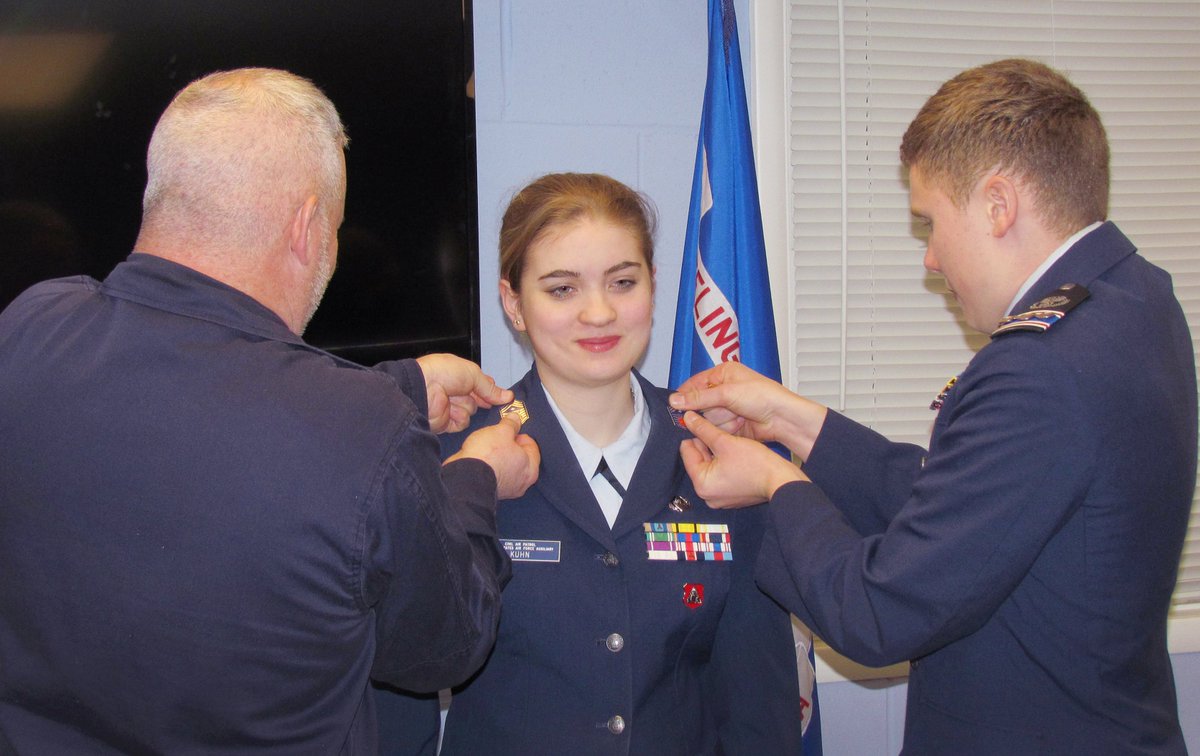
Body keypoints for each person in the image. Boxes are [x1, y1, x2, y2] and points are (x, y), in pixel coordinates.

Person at [0, 68, 540, 754]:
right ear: (308, 227)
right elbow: (444, 647)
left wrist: (401, 388)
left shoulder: (29, 325)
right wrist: (474, 478)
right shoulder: (359, 428)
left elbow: (199, 402)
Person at [671, 58, 1195, 754]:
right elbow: (972, 507)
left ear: (998, 205)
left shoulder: (1038, 367)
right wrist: (791, 419)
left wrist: (776, 482)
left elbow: (879, 613)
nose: (932, 259)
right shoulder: (1137, 298)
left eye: (931, 223)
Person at [376, 172, 803, 754]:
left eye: (622, 282)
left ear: (653, 286)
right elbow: (401, 691)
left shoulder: (720, 456)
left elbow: (757, 698)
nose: (599, 313)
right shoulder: (459, 462)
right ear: (514, 304)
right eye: (562, 289)